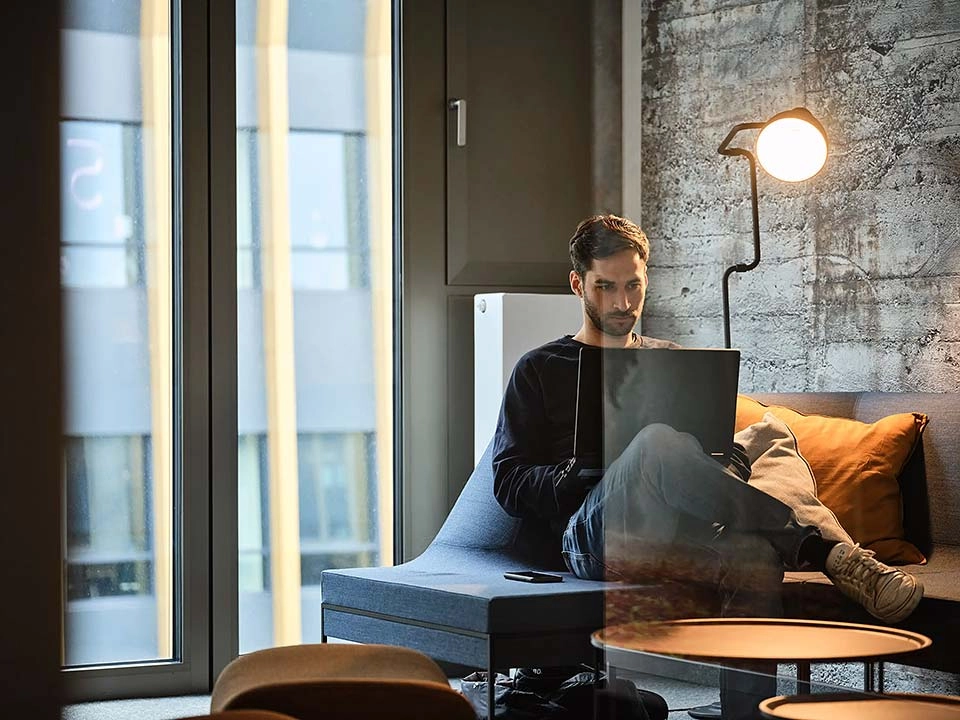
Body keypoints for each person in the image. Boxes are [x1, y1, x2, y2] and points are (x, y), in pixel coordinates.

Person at [492, 214, 923, 720]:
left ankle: (747, 712)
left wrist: (721, 459)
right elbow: (509, 480)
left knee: (754, 557)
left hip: (675, 535)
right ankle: (822, 550)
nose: (623, 303)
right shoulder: (541, 368)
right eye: (605, 287)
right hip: (591, 539)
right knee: (654, 443)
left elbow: (708, 457)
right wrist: (574, 475)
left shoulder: (673, 363)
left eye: (634, 286)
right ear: (577, 283)